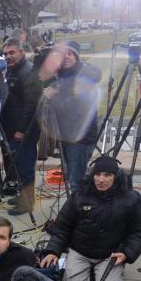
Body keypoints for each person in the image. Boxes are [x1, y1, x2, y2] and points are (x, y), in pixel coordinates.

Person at [39, 156, 141, 281]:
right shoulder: (79, 196)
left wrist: (127, 253)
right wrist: (52, 251)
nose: (101, 179)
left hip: (110, 255)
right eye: (97, 174)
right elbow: (62, 227)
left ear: (116, 176)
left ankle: (109, 271)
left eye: (107, 175)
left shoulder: (132, 198)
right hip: (80, 250)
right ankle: (82, 267)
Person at [36, 40, 101, 197]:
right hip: (68, 135)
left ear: (77, 57)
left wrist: (54, 97)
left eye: (70, 53)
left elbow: (74, 108)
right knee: (73, 178)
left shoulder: (85, 77)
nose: (66, 56)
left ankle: (79, 215)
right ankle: (76, 211)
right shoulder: (63, 75)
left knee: (76, 181)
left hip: (80, 138)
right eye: (63, 54)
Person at [0, 38, 43, 214]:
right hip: (12, 129)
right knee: (18, 166)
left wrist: (22, 130)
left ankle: (27, 202)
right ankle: (22, 195)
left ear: (21, 52)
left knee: (25, 167)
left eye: (12, 53)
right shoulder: (12, 70)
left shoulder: (29, 72)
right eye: (5, 54)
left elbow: (30, 105)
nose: (8, 56)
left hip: (23, 131)